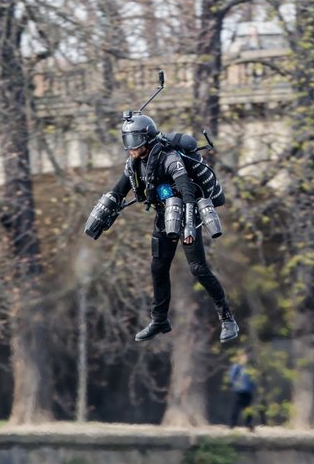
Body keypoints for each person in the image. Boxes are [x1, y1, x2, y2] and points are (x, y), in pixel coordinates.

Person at [86, 112, 238, 343]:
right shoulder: (135, 164)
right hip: (163, 215)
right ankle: (159, 320)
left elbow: (187, 191)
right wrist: (102, 216)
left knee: (198, 269)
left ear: (146, 140)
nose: (130, 147)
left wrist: (188, 227)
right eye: (127, 141)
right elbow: (119, 191)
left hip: (187, 213)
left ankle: (227, 319)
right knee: (158, 267)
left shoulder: (170, 159)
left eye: (134, 141)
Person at [227, 350, 255, 430]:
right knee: (235, 408)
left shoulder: (250, 367)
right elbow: (232, 377)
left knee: (248, 408)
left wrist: (252, 387)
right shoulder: (237, 366)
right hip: (239, 391)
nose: (246, 358)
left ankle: (249, 424)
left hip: (248, 391)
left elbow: (253, 378)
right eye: (245, 356)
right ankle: (232, 424)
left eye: (247, 356)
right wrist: (236, 385)